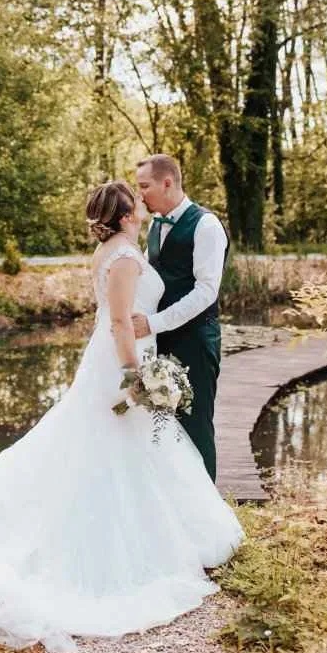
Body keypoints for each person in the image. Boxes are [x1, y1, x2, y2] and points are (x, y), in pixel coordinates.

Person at [0, 180, 242, 653]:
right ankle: (118, 549)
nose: (142, 206)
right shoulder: (122, 257)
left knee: (124, 446)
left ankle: (164, 535)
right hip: (121, 362)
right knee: (115, 445)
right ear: (123, 216)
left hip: (124, 354)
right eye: (135, 202)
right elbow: (119, 321)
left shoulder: (118, 251)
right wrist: (133, 375)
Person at [134, 155, 228, 482]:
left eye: (144, 186)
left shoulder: (206, 225)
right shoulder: (155, 225)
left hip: (195, 341)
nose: (139, 194)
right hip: (156, 342)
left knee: (195, 424)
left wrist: (153, 323)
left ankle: (207, 505)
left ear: (167, 183)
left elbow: (206, 291)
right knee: (161, 425)